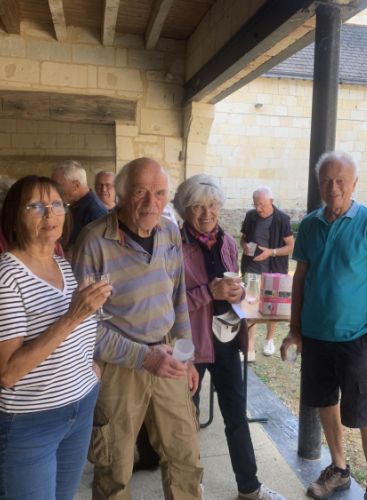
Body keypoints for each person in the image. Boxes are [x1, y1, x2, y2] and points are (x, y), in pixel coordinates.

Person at [72, 157, 203, 499]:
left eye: (159, 193)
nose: (151, 203)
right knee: (114, 468)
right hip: (118, 366)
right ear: (121, 193)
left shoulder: (169, 232)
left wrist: (186, 356)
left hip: (168, 355)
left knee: (185, 457)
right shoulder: (94, 241)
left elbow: (178, 298)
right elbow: (84, 325)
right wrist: (144, 357)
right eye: (141, 192)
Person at [280, 151, 367, 500]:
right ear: (319, 184)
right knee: (325, 402)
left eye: (341, 181)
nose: (333, 187)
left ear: (354, 183)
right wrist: (295, 329)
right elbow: (300, 279)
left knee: (364, 413)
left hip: (355, 336)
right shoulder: (310, 225)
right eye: (326, 181)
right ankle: (340, 469)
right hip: (315, 336)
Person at [173, 174, 285, 500]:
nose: (207, 213)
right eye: (198, 206)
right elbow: (168, 303)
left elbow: (231, 292)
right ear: (185, 209)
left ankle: (249, 488)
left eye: (213, 205)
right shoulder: (173, 245)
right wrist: (209, 292)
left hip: (224, 340)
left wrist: (240, 296)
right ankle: (190, 488)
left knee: (236, 416)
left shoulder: (227, 243)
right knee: (185, 422)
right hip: (187, 345)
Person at [0, 175, 111, 500]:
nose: (49, 214)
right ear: (14, 216)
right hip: (31, 423)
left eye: (57, 204)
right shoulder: (7, 277)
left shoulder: (63, 266)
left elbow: (79, 335)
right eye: (35, 206)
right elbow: (7, 373)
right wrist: (72, 316)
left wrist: (92, 369)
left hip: (80, 410)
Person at [240, 186, 294, 360]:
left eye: (261, 204)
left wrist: (271, 252)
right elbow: (243, 239)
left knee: (273, 306)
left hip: (274, 270)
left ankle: (269, 340)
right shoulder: (250, 216)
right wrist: (245, 246)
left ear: (271, 201)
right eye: (255, 204)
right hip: (252, 267)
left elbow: (290, 246)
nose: (258, 208)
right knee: (250, 305)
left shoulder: (282, 219)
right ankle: (250, 346)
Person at [52, 160, 108, 256]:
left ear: (76, 185)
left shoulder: (96, 211)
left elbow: (98, 251)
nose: (54, 190)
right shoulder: (73, 204)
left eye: (58, 186)